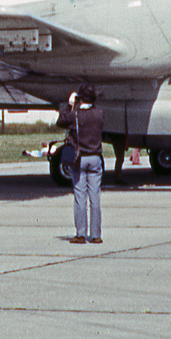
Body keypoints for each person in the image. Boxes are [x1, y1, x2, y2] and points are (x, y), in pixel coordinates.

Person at [59, 84, 105, 243]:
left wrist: (70, 104)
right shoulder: (99, 113)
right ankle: (96, 235)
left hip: (79, 158)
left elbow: (61, 121)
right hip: (96, 157)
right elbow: (94, 114)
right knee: (95, 197)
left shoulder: (75, 114)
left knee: (80, 196)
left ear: (80, 97)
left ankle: (80, 233)